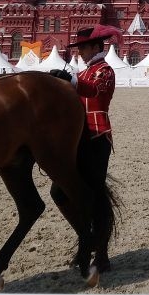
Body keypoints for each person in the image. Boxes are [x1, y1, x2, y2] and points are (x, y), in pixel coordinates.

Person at [54, 24, 121, 279]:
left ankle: (100, 253)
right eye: (79, 47)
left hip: (97, 135)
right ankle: (88, 237)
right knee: (59, 192)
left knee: (94, 194)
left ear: (95, 47)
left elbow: (96, 93)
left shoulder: (104, 70)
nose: (80, 51)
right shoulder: (88, 70)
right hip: (80, 137)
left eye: (83, 47)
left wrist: (72, 81)